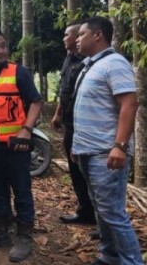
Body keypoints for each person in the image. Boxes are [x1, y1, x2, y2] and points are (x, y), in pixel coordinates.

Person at [72, 16, 143, 265]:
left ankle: (132, 261)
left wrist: (120, 146)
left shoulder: (115, 63)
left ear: (98, 35)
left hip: (106, 152)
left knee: (112, 212)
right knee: (101, 208)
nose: (77, 39)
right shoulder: (91, 65)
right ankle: (109, 255)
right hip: (89, 151)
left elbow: (129, 103)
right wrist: (77, 146)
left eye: (81, 34)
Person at [0, 28, 43, 263]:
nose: (1, 50)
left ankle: (24, 236)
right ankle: (1, 231)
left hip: (16, 146)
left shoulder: (18, 72)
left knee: (22, 191)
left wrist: (27, 129)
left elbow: (36, 101)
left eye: (3, 45)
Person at [51, 24, 97, 225]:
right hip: (70, 122)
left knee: (90, 171)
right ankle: (85, 211)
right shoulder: (69, 58)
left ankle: (100, 217)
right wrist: (58, 113)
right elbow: (65, 90)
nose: (65, 38)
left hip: (85, 124)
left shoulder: (89, 62)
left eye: (67, 35)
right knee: (75, 168)